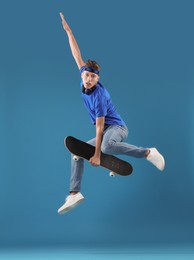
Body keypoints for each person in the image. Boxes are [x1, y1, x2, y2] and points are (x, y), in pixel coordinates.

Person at [57, 12, 165, 214]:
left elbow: (99, 128)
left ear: (98, 79)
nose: (88, 80)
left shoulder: (99, 96)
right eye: (86, 75)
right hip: (106, 132)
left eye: (92, 77)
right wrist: (69, 32)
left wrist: (98, 155)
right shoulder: (83, 78)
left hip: (116, 129)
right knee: (77, 152)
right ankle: (74, 193)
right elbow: (76, 54)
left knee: (106, 144)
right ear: (83, 74)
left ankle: (148, 152)